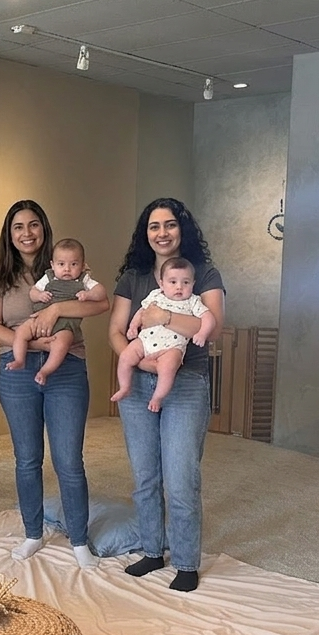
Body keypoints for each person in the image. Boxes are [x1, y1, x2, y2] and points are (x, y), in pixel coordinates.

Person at [0, 201, 109, 566]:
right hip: (17, 369)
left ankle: (80, 540)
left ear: (44, 228)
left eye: (34, 225)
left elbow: (101, 305)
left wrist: (56, 310)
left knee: (69, 460)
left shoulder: (64, 266)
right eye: (18, 226)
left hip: (67, 367)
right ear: (10, 233)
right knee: (27, 459)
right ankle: (32, 534)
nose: (26, 233)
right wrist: (34, 343)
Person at [108, 197, 225, 593]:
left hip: (187, 380)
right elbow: (116, 329)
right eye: (154, 226)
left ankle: (187, 560)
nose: (162, 233)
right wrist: (142, 364)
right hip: (140, 378)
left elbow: (213, 326)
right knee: (144, 475)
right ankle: (153, 550)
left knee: (181, 477)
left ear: (182, 229)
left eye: (170, 225)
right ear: (146, 233)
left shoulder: (202, 274)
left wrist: (165, 317)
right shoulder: (133, 277)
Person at [111, 256, 215, 412]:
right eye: (173, 282)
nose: (179, 287)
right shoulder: (155, 296)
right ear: (162, 284)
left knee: (168, 367)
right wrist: (133, 327)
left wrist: (202, 333)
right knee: (126, 356)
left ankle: (158, 397)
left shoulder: (192, 301)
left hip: (171, 348)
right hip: (145, 341)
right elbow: (141, 312)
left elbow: (209, 319)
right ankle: (125, 387)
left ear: (193, 284)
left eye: (185, 282)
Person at [6, 237, 106, 386]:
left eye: (73, 264)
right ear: (53, 265)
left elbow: (101, 293)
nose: (67, 269)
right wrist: (39, 295)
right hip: (38, 319)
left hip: (64, 326)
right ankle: (20, 359)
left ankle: (45, 371)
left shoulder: (83, 280)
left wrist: (89, 294)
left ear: (83, 266)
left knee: (62, 344)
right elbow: (33, 292)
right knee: (21, 332)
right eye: (61, 264)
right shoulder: (48, 277)